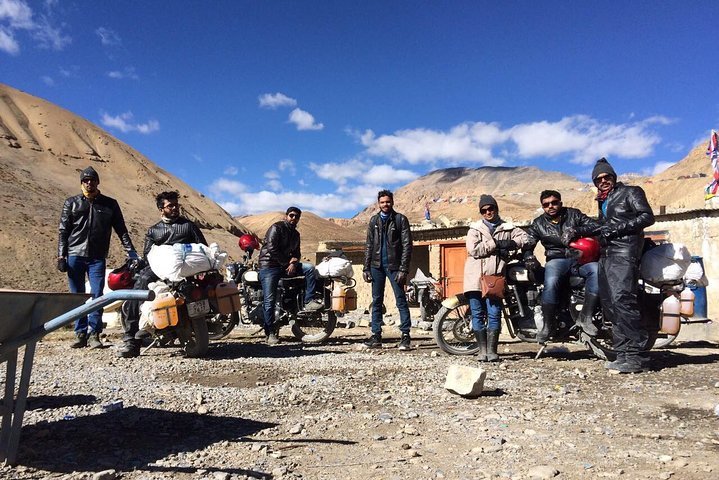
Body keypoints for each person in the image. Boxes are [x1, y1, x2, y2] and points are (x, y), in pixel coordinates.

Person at [118, 191, 207, 358]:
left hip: (186, 267)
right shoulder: (154, 231)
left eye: (176, 205)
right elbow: (147, 255)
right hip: (159, 268)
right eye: (170, 205)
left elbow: (203, 248)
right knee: (138, 288)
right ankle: (132, 341)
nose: (175, 208)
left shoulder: (189, 226)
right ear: (161, 209)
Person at [58, 166, 137, 349]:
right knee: (77, 296)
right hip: (74, 254)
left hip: (97, 257)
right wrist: (61, 255)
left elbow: (121, 230)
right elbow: (63, 230)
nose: (89, 183)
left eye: (92, 179)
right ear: (81, 183)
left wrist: (131, 252)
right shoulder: (71, 203)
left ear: (98, 182)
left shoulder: (110, 204)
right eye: (86, 180)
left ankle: (94, 334)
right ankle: (80, 334)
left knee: (97, 295)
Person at [591, 157, 655, 373]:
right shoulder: (603, 200)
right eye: (598, 179)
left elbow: (647, 217)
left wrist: (618, 229)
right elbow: (602, 226)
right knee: (609, 304)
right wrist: (581, 230)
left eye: (606, 176)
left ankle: (637, 357)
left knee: (623, 300)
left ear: (614, 177)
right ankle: (622, 354)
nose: (603, 180)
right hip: (606, 254)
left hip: (624, 253)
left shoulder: (631, 192)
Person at [524, 190, 601, 344]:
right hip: (556, 259)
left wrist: (576, 230)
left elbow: (596, 226)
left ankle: (586, 316)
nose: (550, 206)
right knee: (550, 282)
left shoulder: (574, 214)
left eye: (554, 202)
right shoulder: (538, 223)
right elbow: (528, 243)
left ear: (560, 202)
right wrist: (528, 257)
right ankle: (548, 325)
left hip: (580, 257)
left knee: (597, 270)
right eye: (546, 204)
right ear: (543, 207)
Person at [464, 195, 528, 361]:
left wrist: (511, 244)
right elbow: (474, 250)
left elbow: (524, 238)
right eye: (484, 210)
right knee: (477, 313)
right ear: (481, 212)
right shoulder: (475, 229)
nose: (488, 212)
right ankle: (481, 351)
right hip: (474, 278)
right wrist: (495, 244)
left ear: (496, 208)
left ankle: (492, 351)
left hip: (495, 277)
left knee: (494, 312)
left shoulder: (507, 227)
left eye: (490, 208)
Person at [258, 207, 323, 345]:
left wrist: (294, 261)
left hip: (285, 266)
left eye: (297, 216)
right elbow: (271, 248)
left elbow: (297, 253)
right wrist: (287, 262)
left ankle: (308, 300)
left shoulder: (296, 234)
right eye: (291, 215)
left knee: (310, 269)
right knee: (269, 300)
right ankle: (269, 333)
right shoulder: (276, 228)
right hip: (269, 266)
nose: (294, 218)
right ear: (286, 216)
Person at [363, 190, 413, 350]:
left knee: (401, 301)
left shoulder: (400, 220)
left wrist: (403, 269)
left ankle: (405, 336)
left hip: (395, 267)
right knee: (376, 301)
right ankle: (376, 336)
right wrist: (366, 267)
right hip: (376, 266)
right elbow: (369, 245)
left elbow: (407, 245)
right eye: (383, 202)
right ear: (378, 203)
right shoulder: (374, 221)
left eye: (388, 202)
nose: (385, 204)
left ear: (392, 202)